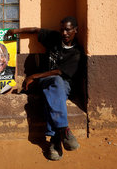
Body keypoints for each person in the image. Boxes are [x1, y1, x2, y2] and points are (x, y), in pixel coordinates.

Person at [5, 16, 83, 161]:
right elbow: (35, 30)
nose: (64, 33)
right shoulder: (54, 37)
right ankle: (64, 129)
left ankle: (54, 141)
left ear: (76, 30)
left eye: (68, 30)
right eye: (62, 30)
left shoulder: (77, 53)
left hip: (63, 85)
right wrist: (15, 31)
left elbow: (59, 72)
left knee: (53, 92)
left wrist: (34, 76)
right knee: (53, 87)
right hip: (45, 81)